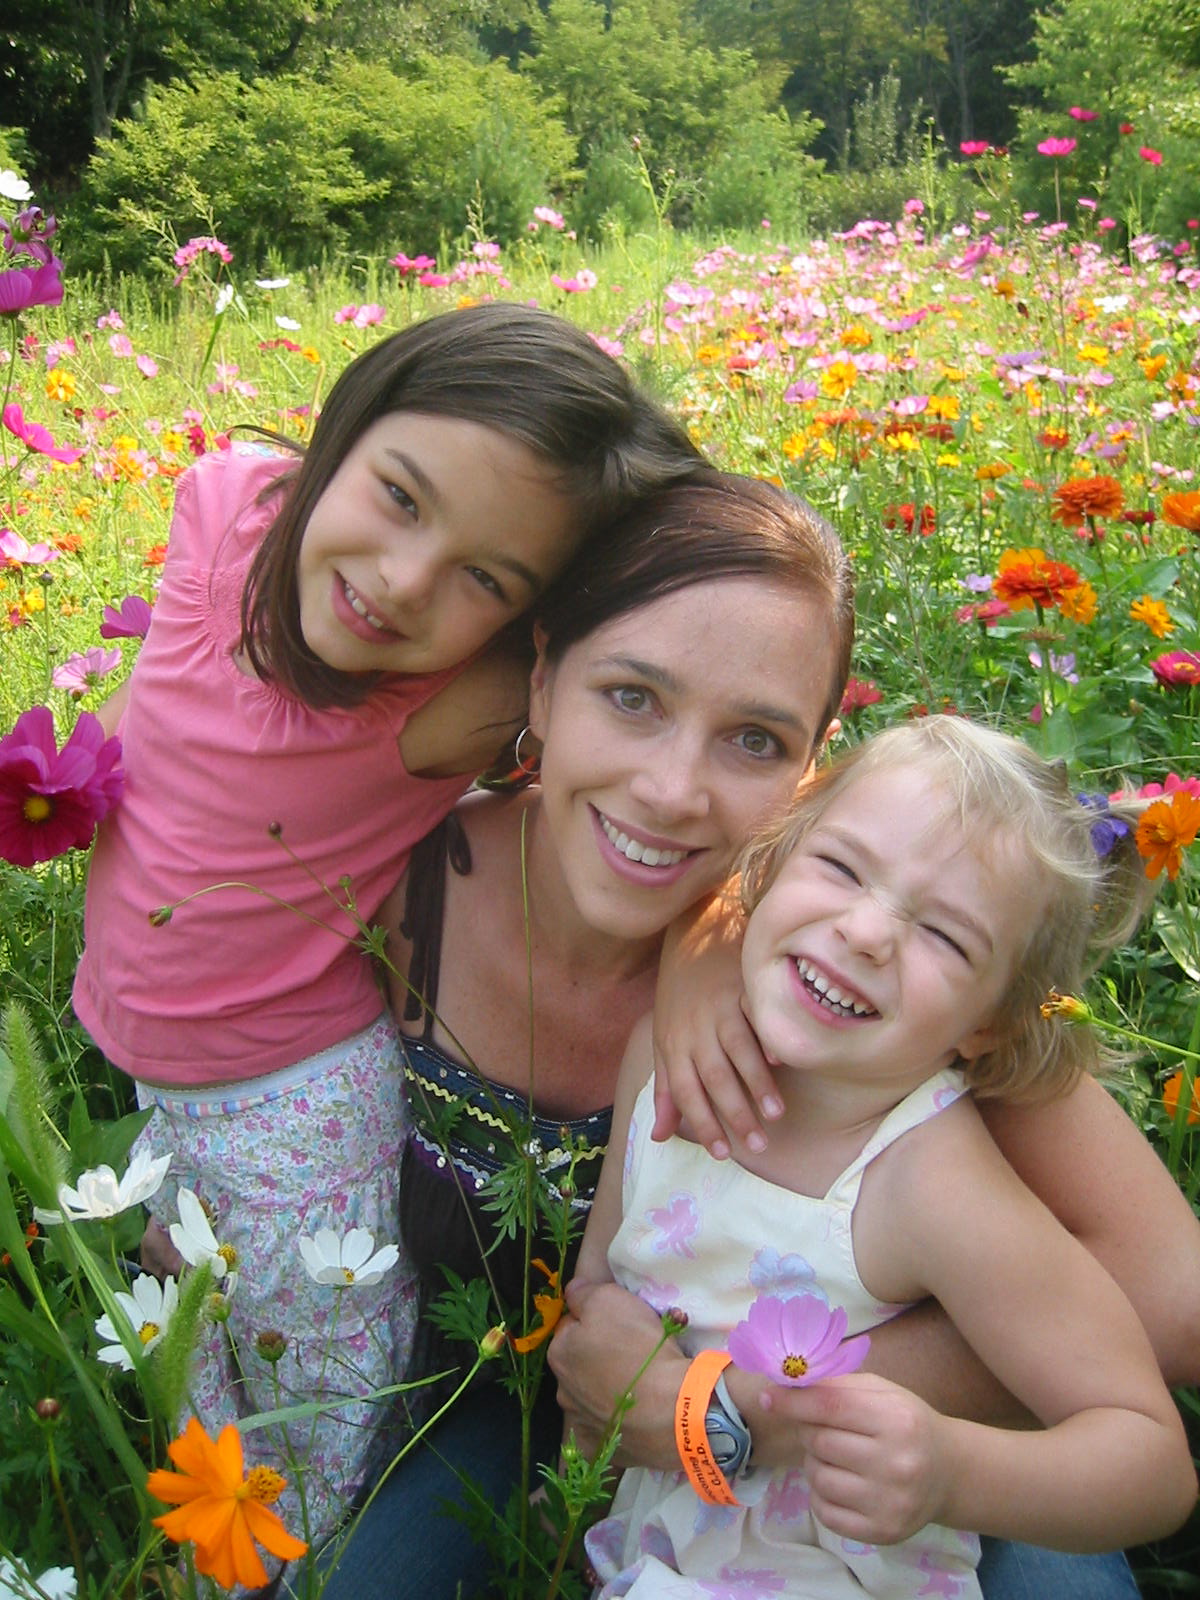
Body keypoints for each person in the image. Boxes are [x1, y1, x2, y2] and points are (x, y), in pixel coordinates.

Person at [322, 477, 1200, 1600]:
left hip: (891, 1473)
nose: (674, 788)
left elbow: (1167, 1313)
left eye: (753, 737)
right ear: (541, 677)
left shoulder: (894, 1000)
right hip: (581, 1455)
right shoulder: (386, 884)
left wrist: (750, 1411)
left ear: (809, 770)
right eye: (632, 696)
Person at [72, 301, 702, 1545]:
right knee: (183, 1326)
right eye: (402, 496)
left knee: (318, 1369)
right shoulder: (221, 504)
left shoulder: (452, 706)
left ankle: (314, 1559)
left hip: (291, 1095)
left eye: (487, 577)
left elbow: (644, 659)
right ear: (348, 424)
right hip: (142, 1056)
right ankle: (215, 1556)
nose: (402, 581)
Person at [576, 716, 1197, 1598]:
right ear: (769, 867)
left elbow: (1153, 1464)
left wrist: (954, 1471)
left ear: (989, 1023)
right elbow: (607, 1282)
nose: (867, 930)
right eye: (840, 867)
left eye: (946, 936)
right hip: (648, 1550)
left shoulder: (930, 1185)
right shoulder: (659, 1059)